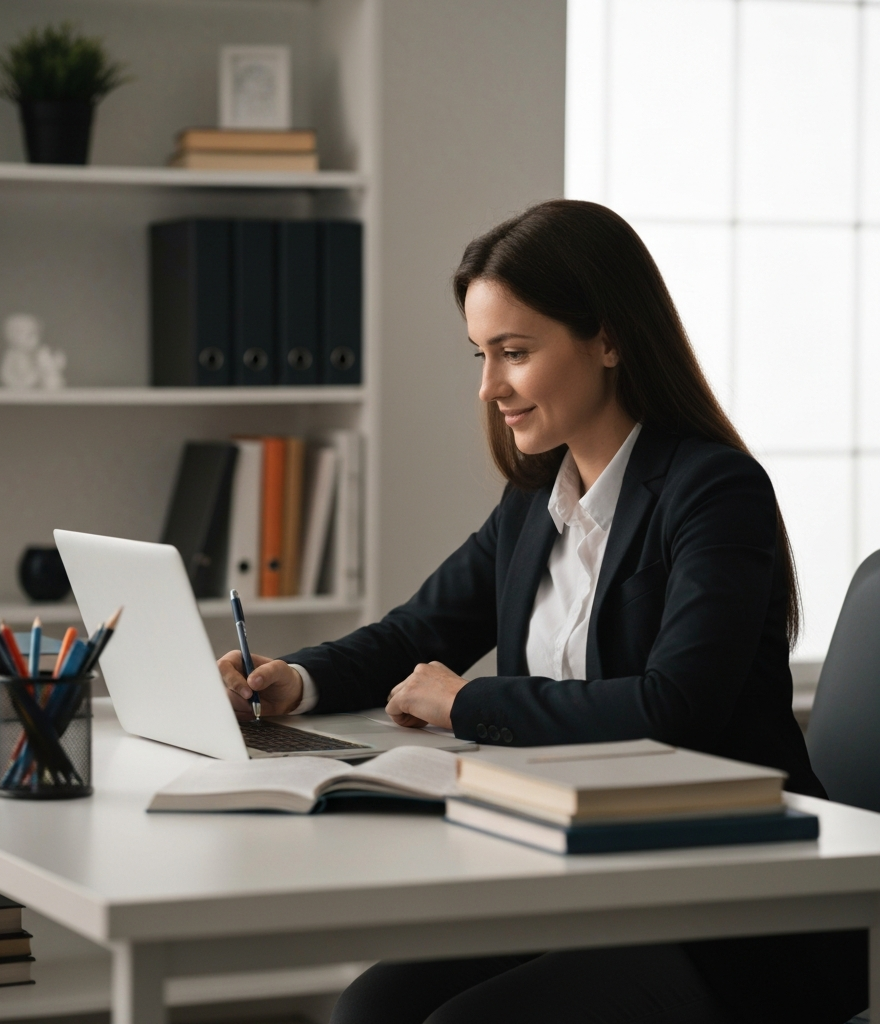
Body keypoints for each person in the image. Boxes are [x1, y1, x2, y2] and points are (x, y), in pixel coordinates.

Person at [217, 200, 867, 1024]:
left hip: (727, 907)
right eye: (481, 355)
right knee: (368, 1009)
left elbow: (676, 706)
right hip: (580, 879)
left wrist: (467, 704)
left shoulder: (714, 492)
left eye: (514, 353)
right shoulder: (534, 501)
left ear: (607, 339)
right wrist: (295, 681)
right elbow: (420, 630)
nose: (490, 387)